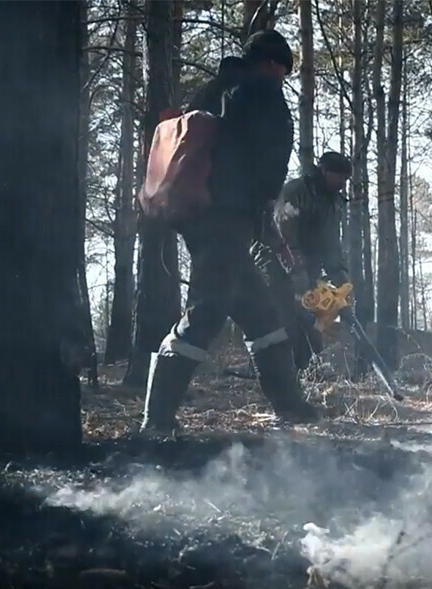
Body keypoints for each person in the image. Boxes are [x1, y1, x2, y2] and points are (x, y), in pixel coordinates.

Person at [141, 29, 320, 434]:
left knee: (260, 313)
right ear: (274, 63)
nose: (282, 77)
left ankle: (288, 404)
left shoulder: (216, 90)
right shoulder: (263, 91)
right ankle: (156, 420)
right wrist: (263, 216)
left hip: (200, 217)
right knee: (205, 312)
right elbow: (266, 162)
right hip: (227, 218)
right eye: (283, 69)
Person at [274, 151, 352, 295]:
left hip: (311, 266)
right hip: (281, 264)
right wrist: (296, 269)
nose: (343, 183)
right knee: (289, 307)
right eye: (339, 177)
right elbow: (286, 234)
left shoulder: (334, 202)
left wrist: (340, 275)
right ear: (324, 171)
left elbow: (331, 241)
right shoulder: (296, 191)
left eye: (346, 179)